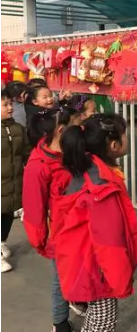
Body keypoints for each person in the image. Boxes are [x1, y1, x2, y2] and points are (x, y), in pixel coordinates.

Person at [54, 113, 137, 332]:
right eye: (124, 135)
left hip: (85, 263)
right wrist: (121, 281)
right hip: (96, 270)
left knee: (97, 317)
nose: (127, 138)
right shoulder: (101, 188)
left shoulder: (92, 170)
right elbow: (109, 243)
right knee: (103, 321)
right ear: (114, 145)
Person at [23, 107, 86, 331]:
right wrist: (41, 241)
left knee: (79, 270)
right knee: (61, 279)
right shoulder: (39, 166)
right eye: (78, 125)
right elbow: (34, 208)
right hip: (59, 234)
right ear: (61, 130)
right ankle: (59, 322)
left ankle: (77, 298)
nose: (82, 129)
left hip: (80, 227)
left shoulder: (71, 150)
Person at [1, 89, 30, 273]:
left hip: (14, 181)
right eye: (5, 105)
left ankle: (2, 241)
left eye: (11, 104)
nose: (10, 108)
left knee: (7, 213)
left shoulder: (18, 128)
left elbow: (26, 152)